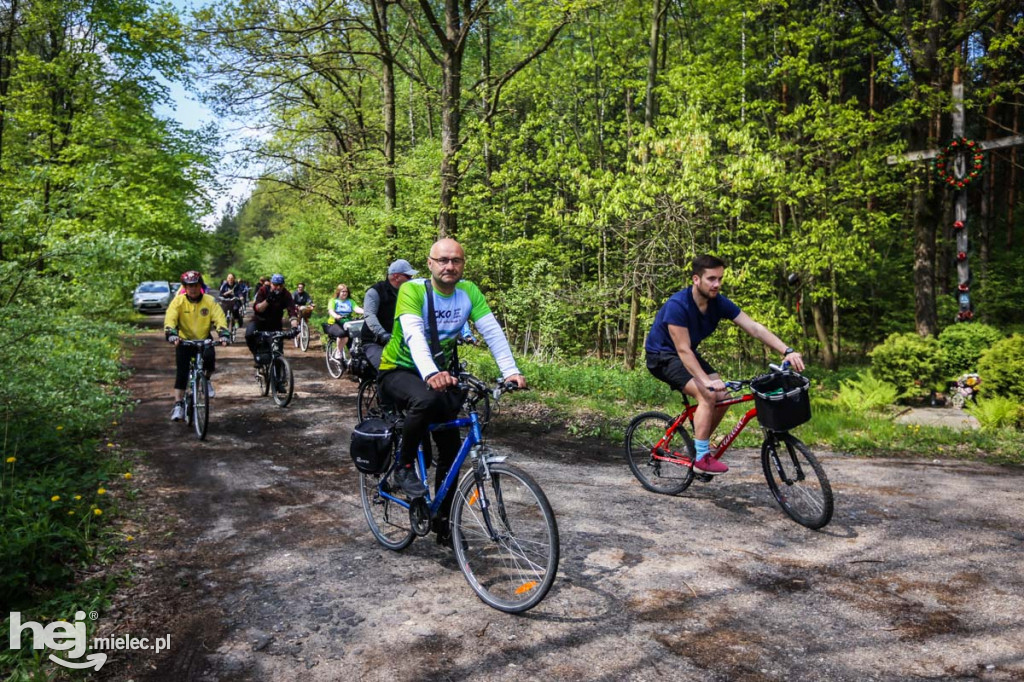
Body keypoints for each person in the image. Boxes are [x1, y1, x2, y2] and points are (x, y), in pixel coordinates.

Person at [378, 239, 526, 548]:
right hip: (399, 369)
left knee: (451, 452)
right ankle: (403, 468)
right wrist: (431, 373)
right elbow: (414, 335)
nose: (449, 266)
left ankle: (444, 523)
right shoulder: (413, 290)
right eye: (443, 260)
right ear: (430, 263)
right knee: (425, 399)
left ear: (463, 265)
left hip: (439, 375)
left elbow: (492, 332)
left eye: (456, 260)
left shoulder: (469, 293)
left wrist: (510, 370)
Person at [644, 254, 805, 475]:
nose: (717, 284)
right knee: (708, 395)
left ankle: (697, 444)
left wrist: (786, 350)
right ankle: (701, 458)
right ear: (696, 279)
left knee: (724, 397)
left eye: (720, 278)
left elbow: (754, 328)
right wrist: (705, 382)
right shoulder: (677, 306)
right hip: (661, 356)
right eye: (711, 279)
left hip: (686, 353)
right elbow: (682, 350)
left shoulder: (718, 303)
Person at [164, 271, 228, 421]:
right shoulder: (178, 301)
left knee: (210, 361)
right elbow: (170, 318)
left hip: (204, 338)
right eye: (189, 286)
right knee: (182, 372)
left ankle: (206, 380)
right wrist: (171, 332)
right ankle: (178, 404)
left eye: (195, 285)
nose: (192, 289)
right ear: (185, 287)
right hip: (184, 340)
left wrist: (223, 333)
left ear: (200, 286)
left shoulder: (209, 301)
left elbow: (219, 318)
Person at [360, 259, 417, 369]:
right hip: (375, 342)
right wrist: (382, 334)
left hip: (399, 341)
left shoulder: (407, 293)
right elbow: (369, 315)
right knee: (387, 369)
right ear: (396, 276)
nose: (411, 280)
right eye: (408, 277)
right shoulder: (375, 291)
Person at [245, 273, 300, 363]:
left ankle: (279, 371)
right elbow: (257, 309)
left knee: (277, 351)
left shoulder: (286, 294)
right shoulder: (263, 290)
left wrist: (294, 326)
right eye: (275, 285)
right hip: (259, 321)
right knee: (249, 335)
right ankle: (257, 355)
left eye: (280, 285)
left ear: (283, 285)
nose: (278, 287)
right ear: (271, 284)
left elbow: (292, 310)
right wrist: (267, 300)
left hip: (275, 323)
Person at [324, 284, 363, 354]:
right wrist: (336, 316)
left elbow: (356, 309)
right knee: (343, 335)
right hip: (334, 323)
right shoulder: (333, 301)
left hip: (347, 322)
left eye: (346, 291)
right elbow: (331, 311)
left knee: (358, 335)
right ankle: (338, 352)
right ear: (338, 292)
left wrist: (367, 312)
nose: (345, 293)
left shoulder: (350, 301)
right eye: (343, 291)